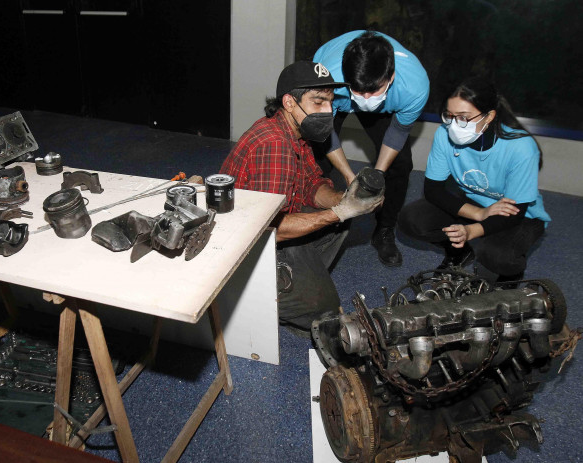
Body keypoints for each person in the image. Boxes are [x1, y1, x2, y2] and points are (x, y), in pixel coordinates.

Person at [219, 61, 383, 335]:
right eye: (318, 102)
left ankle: (301, 281)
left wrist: (344, 200)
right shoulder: (274, 145)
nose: (327, 111)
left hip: (273, 226)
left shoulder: (296, 133)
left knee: (340, 221)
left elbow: (310, 184)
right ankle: (269, 292)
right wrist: (339, 212)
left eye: (330, 103)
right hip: (243, 247)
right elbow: (267, 229)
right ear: (289, 102)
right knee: (326, 311)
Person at [398, 76, 550, 282]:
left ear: (489, 116)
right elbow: (433, 190)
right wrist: (479, 213)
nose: (453, 125)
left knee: (497, 256)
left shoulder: (521, 147)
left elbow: (515, 213)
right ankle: (459, 252)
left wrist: (471, 231)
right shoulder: (444, 135)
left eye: (463, 117)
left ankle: (510, 278)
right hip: (476, 204)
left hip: (518, 214)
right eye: (449, 115)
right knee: (412, 220)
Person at [313, 30, 430, 267]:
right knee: (317, 161)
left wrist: (375, 178)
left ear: (391, 77)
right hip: (337, 96)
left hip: (386, 104)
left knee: (400, 165)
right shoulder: (328, 80)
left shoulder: (415, 86)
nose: (366, 98)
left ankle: (384, 230)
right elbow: (325, 132)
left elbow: (397, 132)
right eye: (359, 91)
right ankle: (317, 223)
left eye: (373, 90)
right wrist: (349, 176)